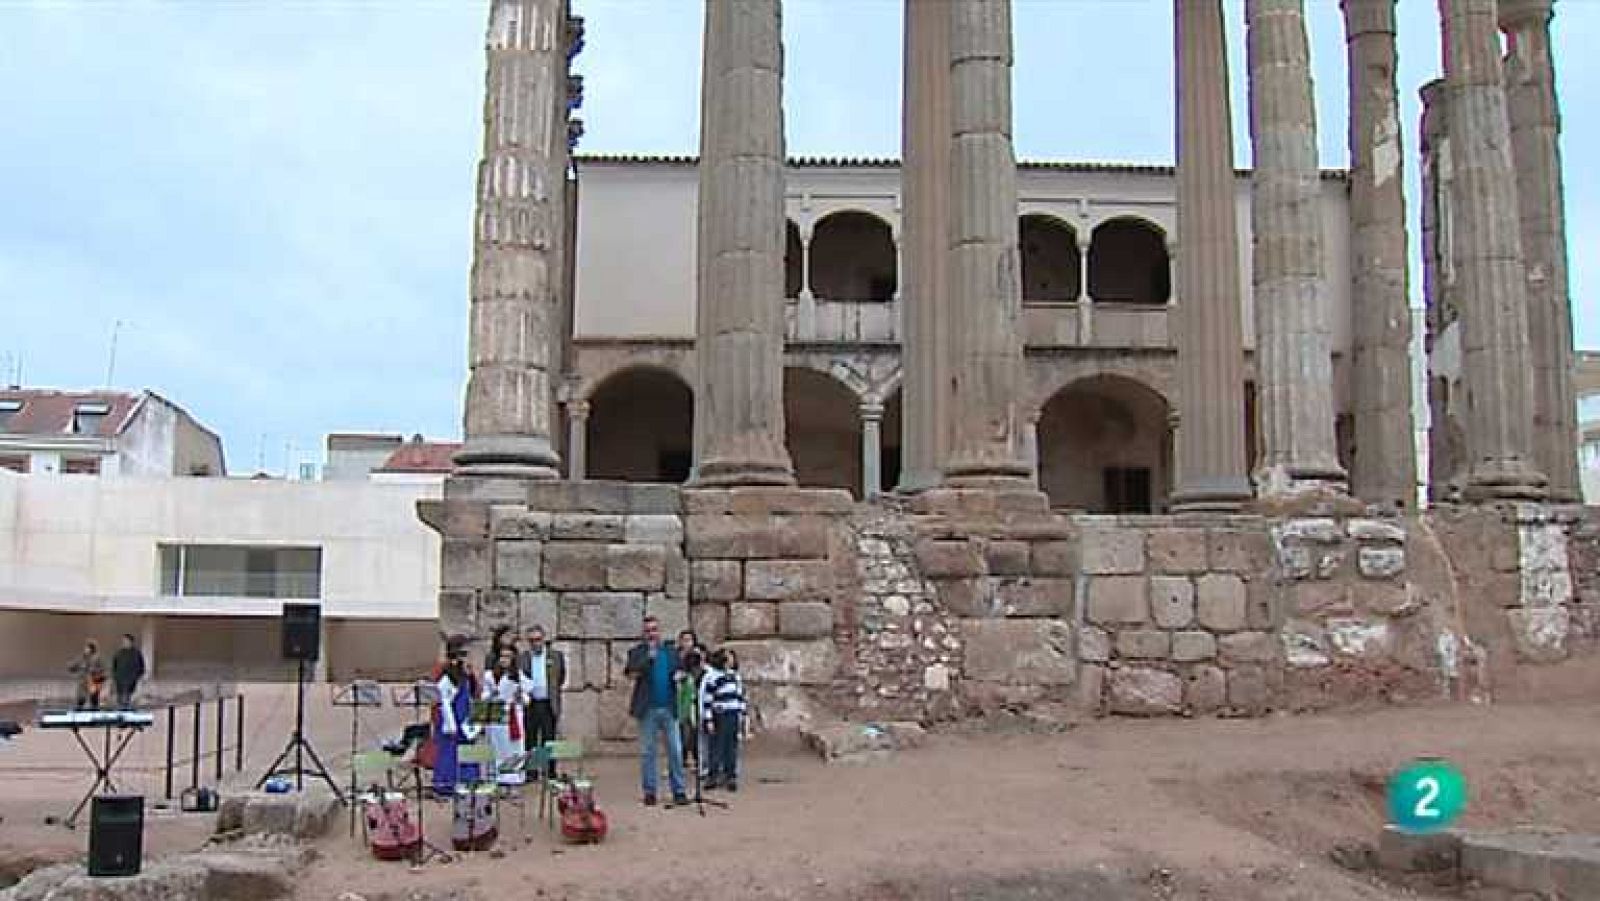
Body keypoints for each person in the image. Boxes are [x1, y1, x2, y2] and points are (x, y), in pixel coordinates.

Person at [623, 615, 687, 806]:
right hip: (648, 709)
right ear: (644, 634)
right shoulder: (637, 652)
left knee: (675, 750)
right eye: (648, 631)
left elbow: (681, 671)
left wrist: (680, 676)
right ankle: (650, 791)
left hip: (669, 706)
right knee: (648, 752)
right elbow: (631, 673)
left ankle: (679, 790)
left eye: (654, 630)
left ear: (660, 631)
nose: (652, 634)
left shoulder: (670, 651)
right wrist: (647, 660)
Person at [432, 645, 481, 797]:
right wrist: (450, 723)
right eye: (463, 656)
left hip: (465, 719)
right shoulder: (448, 678)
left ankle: (468, 781)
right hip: (451, 720)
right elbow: (444, 702)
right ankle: (446, 784)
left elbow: (473, 696)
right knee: (449, 752)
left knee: (467, 750)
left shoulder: (466, 677)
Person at [517, 624, 565, 779]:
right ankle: (532, 771)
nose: (535, 643)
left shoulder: (556, 656)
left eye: (538, 639)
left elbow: (561, 677)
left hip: (547, 702)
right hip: (531, 702)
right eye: (532, 641)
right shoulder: (523, 658)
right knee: (530, 737)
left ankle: (549, 770)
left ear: (543, 639)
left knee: (548, 738)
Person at [481, 647, 529, 789]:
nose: (504, 660)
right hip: (497, 717)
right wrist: (491, 694)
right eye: (502, 656)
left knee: (515, 750)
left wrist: (520, 696)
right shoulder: (490, 676)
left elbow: (527, 699)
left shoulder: (519, 676)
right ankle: (498, 780)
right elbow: (483, 695)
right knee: (498, 749)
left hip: (514, 716)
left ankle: (514, 781)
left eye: (508, 657)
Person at [700, 648, 747, 792]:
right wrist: (708, 719)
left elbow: (740, 696)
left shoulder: (735, 677)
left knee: (731, 746)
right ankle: (713, 775)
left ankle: (730, 775)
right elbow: (707, 698)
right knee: (716, 746)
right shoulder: (713, 676)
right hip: (719, 714)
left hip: (732, 714)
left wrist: (743, 714)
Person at [110, 634, 146, 710]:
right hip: (119, 679)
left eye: (126, 640)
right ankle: (121, 712)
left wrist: (138, 677)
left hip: (131, 679)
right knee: (120, 698)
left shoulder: (136, 653)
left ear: (131, 642)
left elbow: (141, 666)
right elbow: (114, 665)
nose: (124, 642)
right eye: (123, 641)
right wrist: (114, 676)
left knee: (128, 697)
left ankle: (127, 711)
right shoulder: (119, 653)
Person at [69, 640, 107, 711]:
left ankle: (94, 716)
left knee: (94, 701)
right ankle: (78, 716)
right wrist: (72, 666)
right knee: (80, 701)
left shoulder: (97, 659)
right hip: (83, 683)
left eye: (87, 648)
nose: (85, 649)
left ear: (91, 649)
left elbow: (103, 671)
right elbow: (73, 667)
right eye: (85, 648)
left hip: (93, 683)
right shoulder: (81, 658)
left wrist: (96, 674)